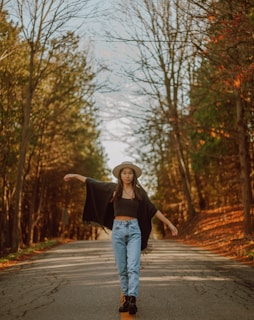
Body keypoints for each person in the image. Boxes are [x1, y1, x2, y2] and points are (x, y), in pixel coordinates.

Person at [64, 161, 178, 315]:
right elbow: (93, 183)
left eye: (130, 173)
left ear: (134, 175)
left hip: (134, 231)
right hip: (117, 230)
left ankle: (132, 299)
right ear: (120, 175)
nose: (127, 176)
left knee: (133, 266)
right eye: (124, 173)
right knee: (122, 268)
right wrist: (75, 175)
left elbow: (153, 210)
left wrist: (170, 224)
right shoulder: (113, 189)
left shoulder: (139, 193)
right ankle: (125, 298)